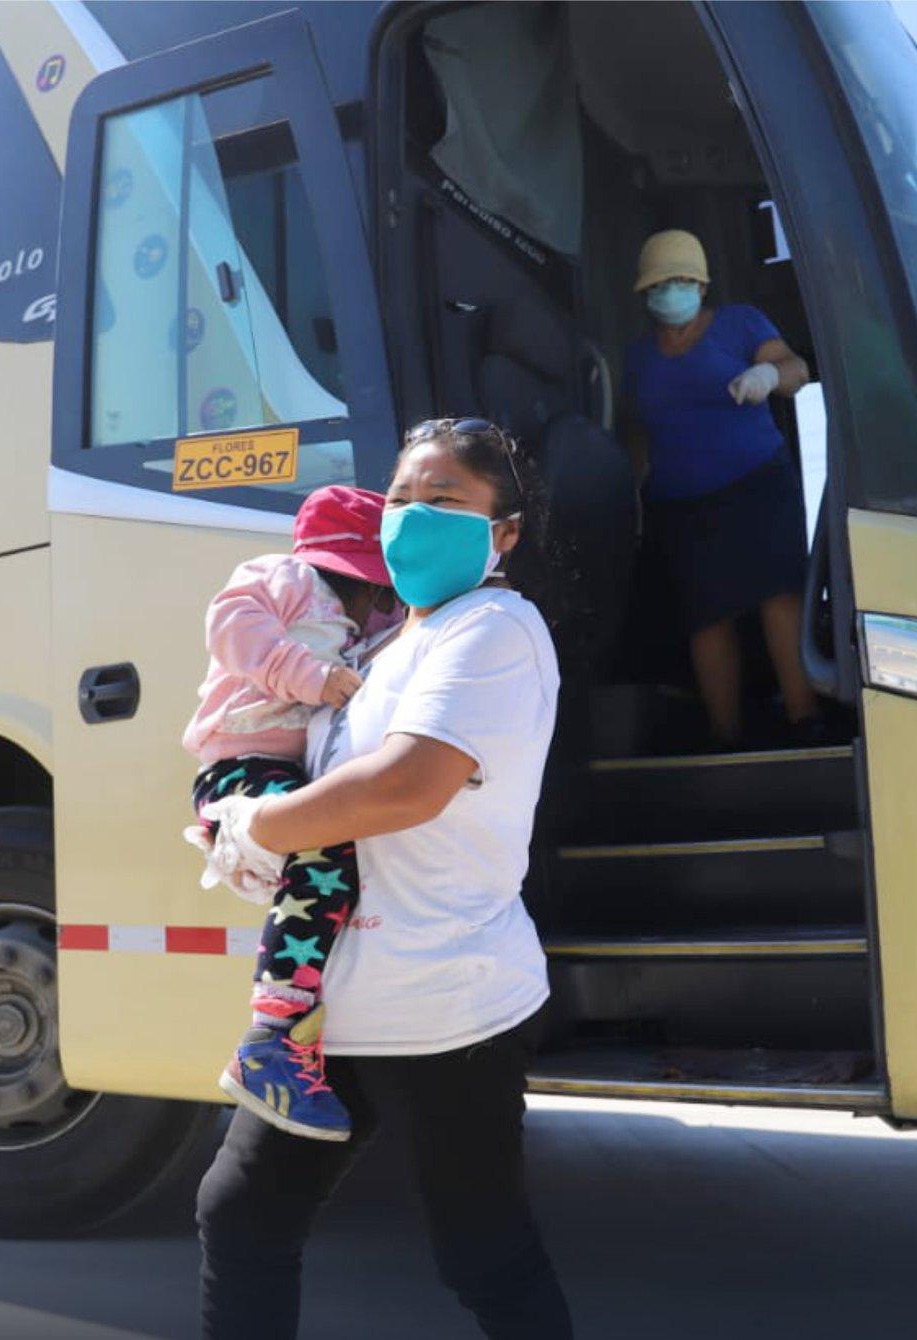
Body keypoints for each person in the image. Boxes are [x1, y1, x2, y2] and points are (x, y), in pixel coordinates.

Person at [190, 418, 573, 1340]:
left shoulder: (494, 628)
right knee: (240, 1218)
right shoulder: (382, 647)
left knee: (482, 1254)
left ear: (503, 531)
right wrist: (256, 824)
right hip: (334, 1010)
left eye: (442, 500)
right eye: (400, 497)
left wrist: (253, 826)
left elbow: (405, 786)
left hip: (445, 1005)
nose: (410, 517)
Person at [182, 484, 400, 1142]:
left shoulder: (376, 621)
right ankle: (270, 1037)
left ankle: (299, 1024)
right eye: (367, 585)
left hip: (292, 775)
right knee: (326, 847)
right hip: (239, 766)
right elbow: (230, 626)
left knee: (336, 870)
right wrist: (308, 674)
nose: (374, 601)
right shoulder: (282, 576)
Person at [621, 227, 822, 746]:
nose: (672, 292)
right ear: (646, 292)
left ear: (703, 286)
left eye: (683, 281)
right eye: (661, 284)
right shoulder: (639, 356)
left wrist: (767, 377)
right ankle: (724, 737)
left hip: (758, 486)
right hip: (680, 504)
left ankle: (805, 721)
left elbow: (796, 368)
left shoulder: (740, 323)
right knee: (705, 616)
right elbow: (637, 430)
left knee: (779, 597)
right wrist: (633, 491)